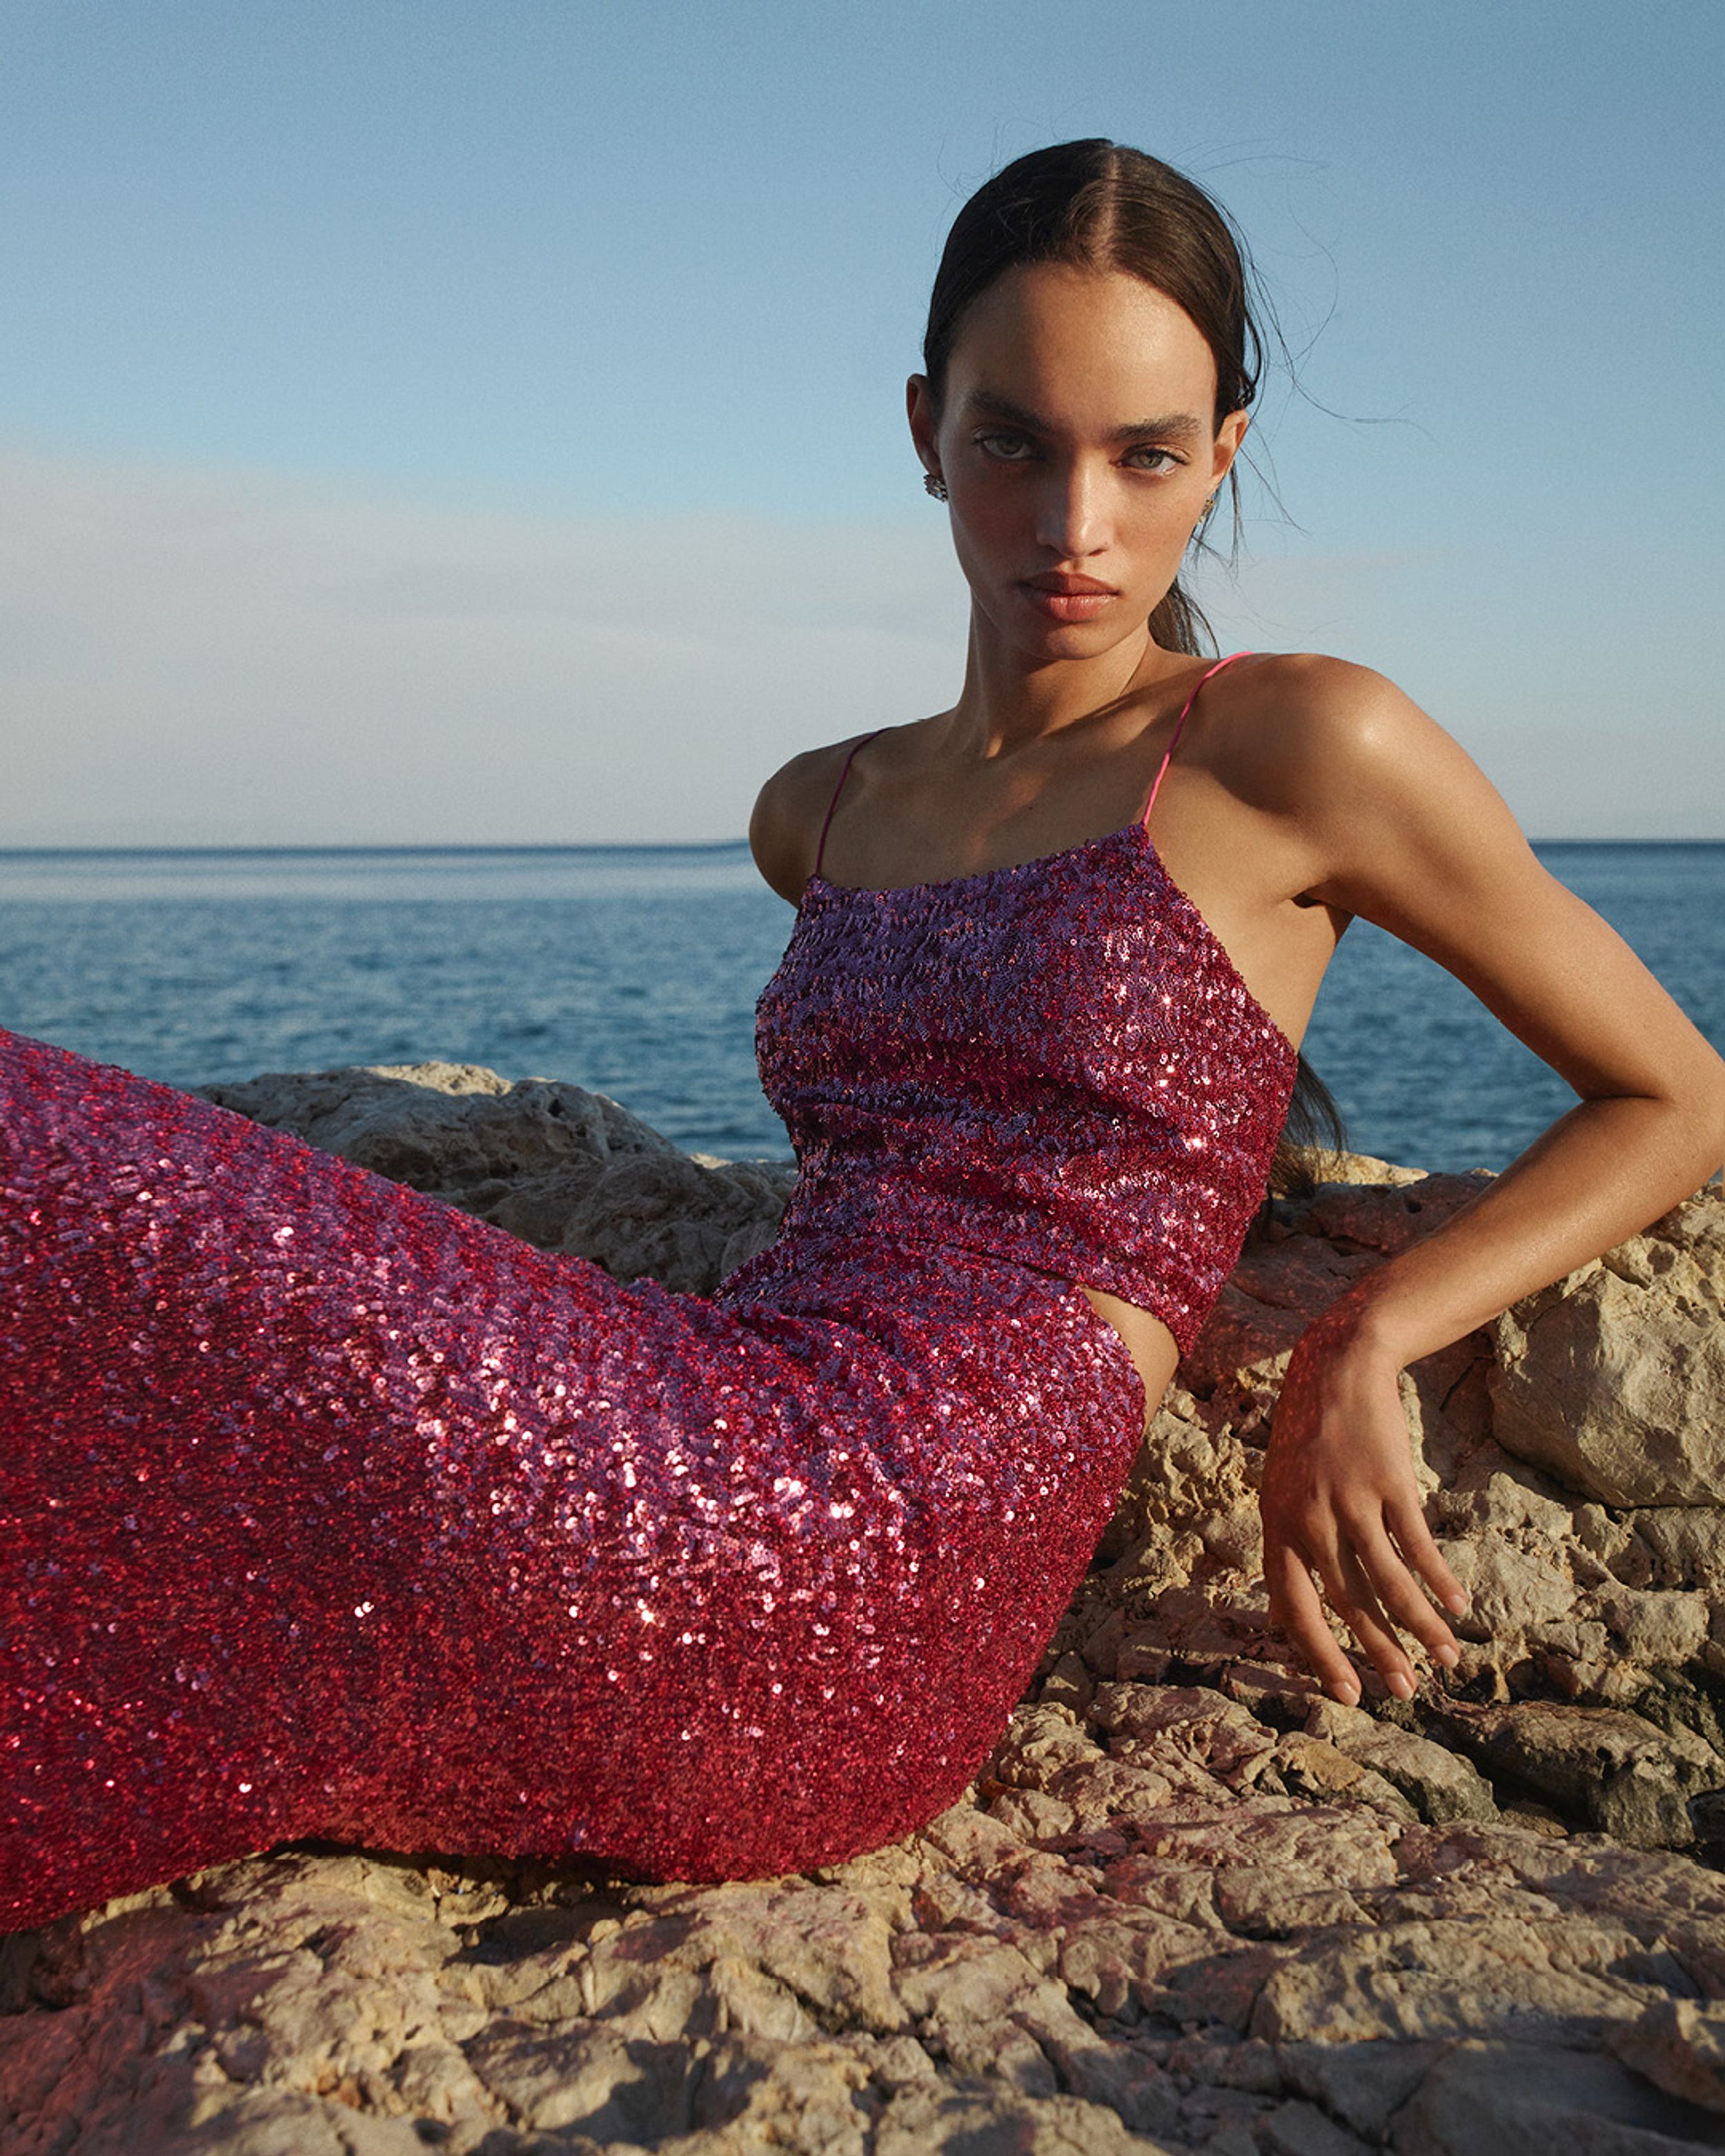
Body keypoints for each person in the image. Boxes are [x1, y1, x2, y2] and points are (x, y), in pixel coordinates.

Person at [3, 140, 1722, 1937]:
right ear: (923, 431)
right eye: (1013, 443)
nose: (1077, 525)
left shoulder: (1292, 746)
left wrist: (1371, 1334)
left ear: (1221, 448)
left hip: (863, 1583)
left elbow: (1670, 1093)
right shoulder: (814, 810)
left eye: (1144, 456)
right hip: (698, 1436)